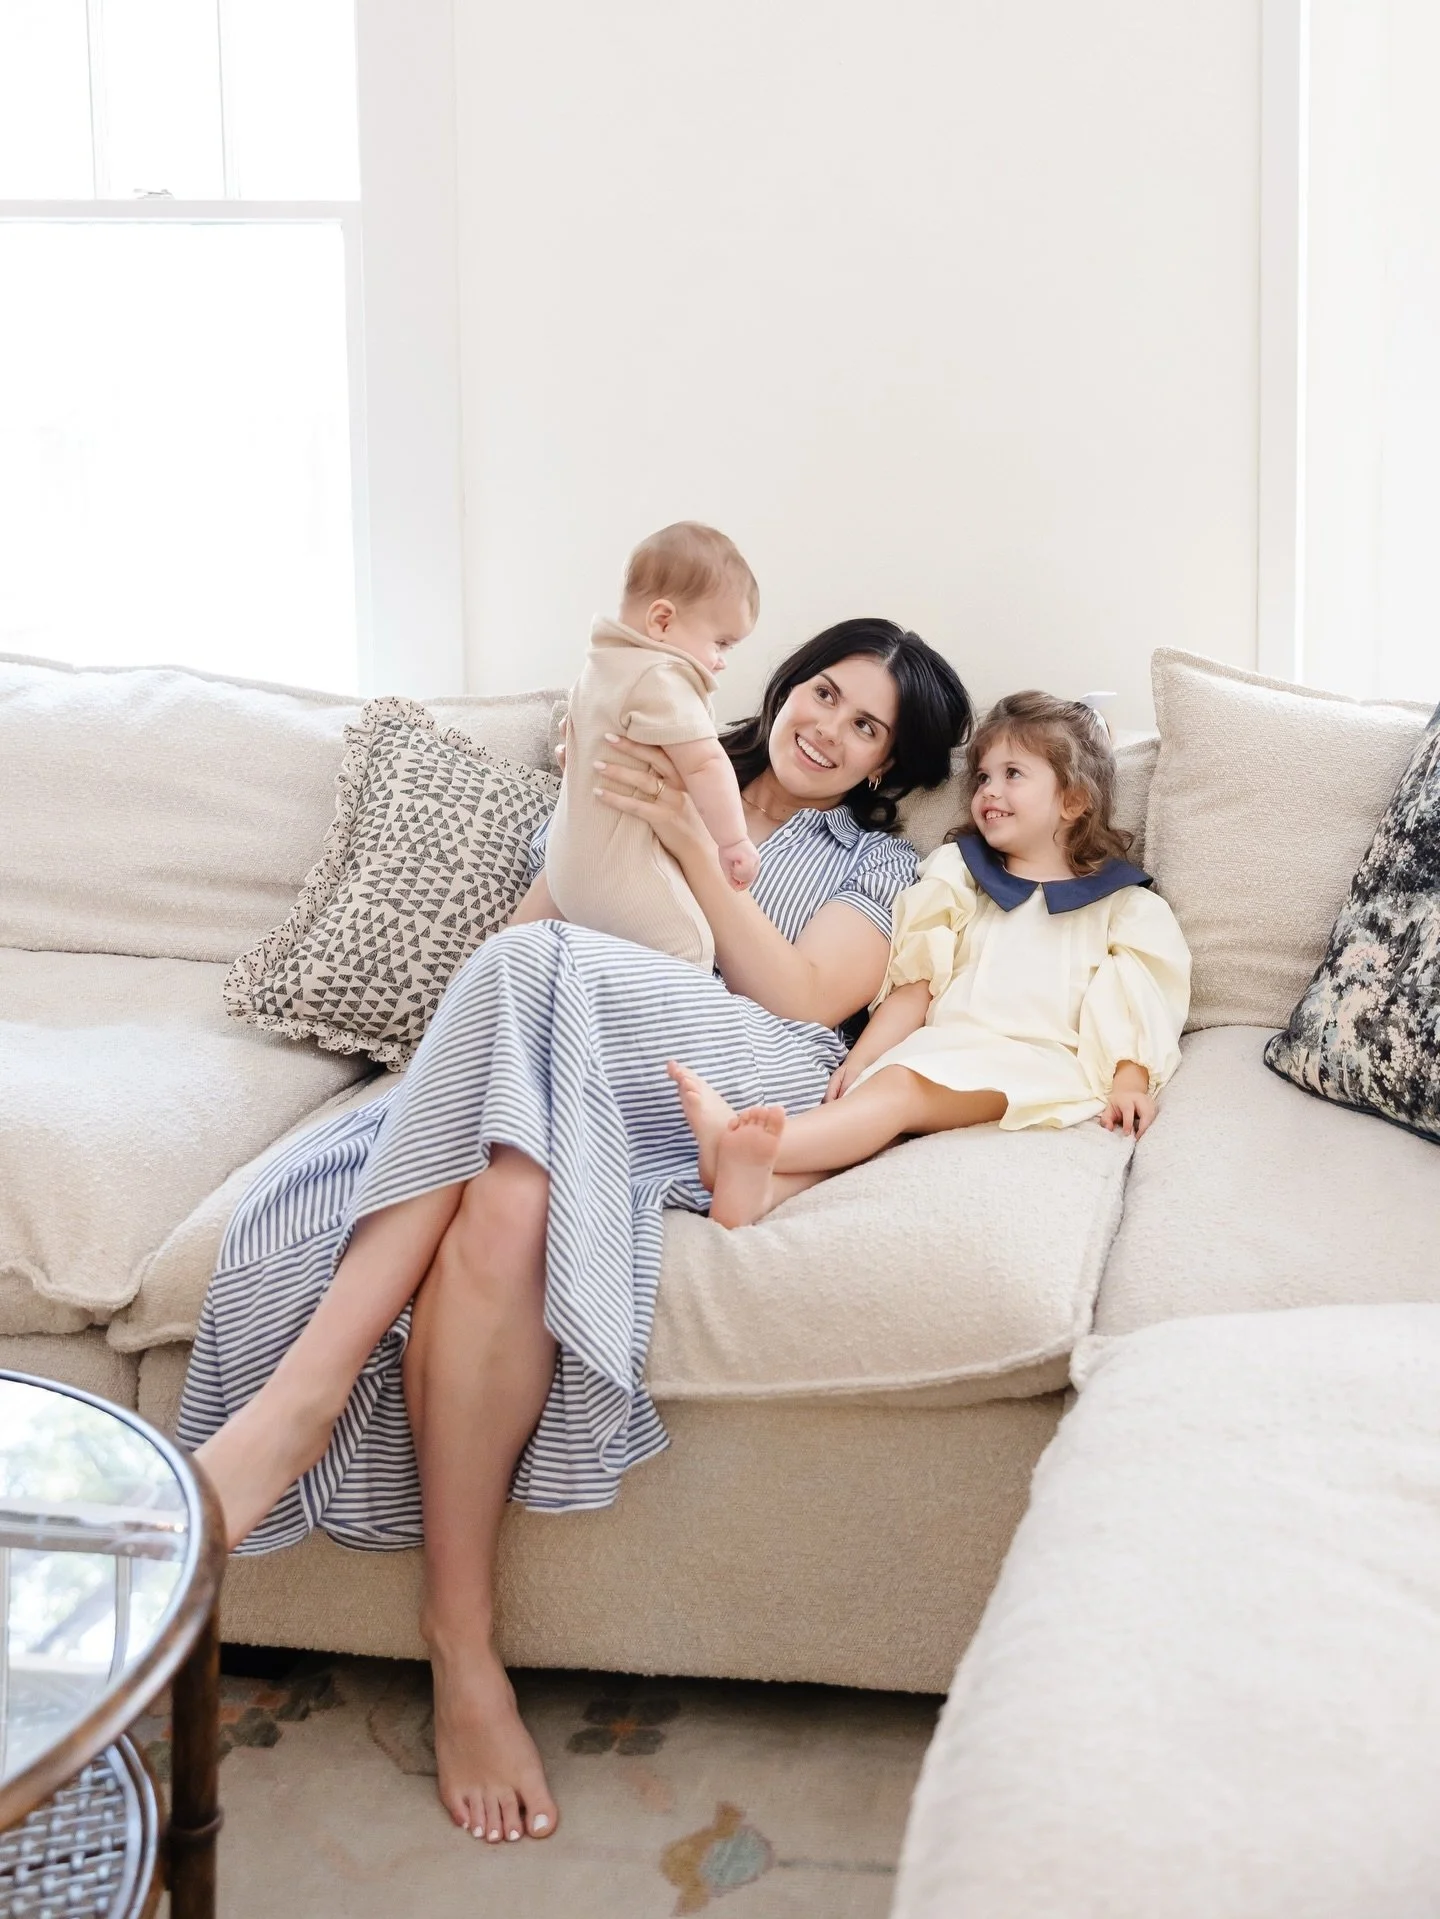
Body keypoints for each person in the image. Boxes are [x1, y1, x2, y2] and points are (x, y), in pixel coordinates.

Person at [178, 618, 973, 1849]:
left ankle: (300, 1398)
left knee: (537, 965)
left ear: (885, 765)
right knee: (507, 1189)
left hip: (724, 1068)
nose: (830, 727)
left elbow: (809, 998)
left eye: (869, 727)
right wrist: (617, 825)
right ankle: (462, 1648)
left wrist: (696, 845)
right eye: (825, 691)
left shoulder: (874, 863)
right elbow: (522, 935)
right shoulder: (650, 754)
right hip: (551, 1058)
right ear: (788, 681)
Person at [670, 691, 1191, 1228]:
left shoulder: (1126, 905)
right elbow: (916, 983)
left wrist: (1129, 1083)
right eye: (983, 777)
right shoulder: (958, 876)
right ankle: (757, 1194)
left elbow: (1137, 1002)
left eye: (1013, 774)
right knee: (878, 1109)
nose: (990, 790)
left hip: (1036, 1061)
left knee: (900, 1092)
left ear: (1074, 801)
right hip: (941, 1049)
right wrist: (864, 1056)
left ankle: (735, 1143)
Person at [546, 522, 762, 969]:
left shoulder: (598, 669)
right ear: (662, 621)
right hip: (619, 875)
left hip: (566, 874)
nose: (721, 660)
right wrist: (733, 840)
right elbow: (704, 763)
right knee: (690, 948)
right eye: (720, 642)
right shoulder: (660, 677)